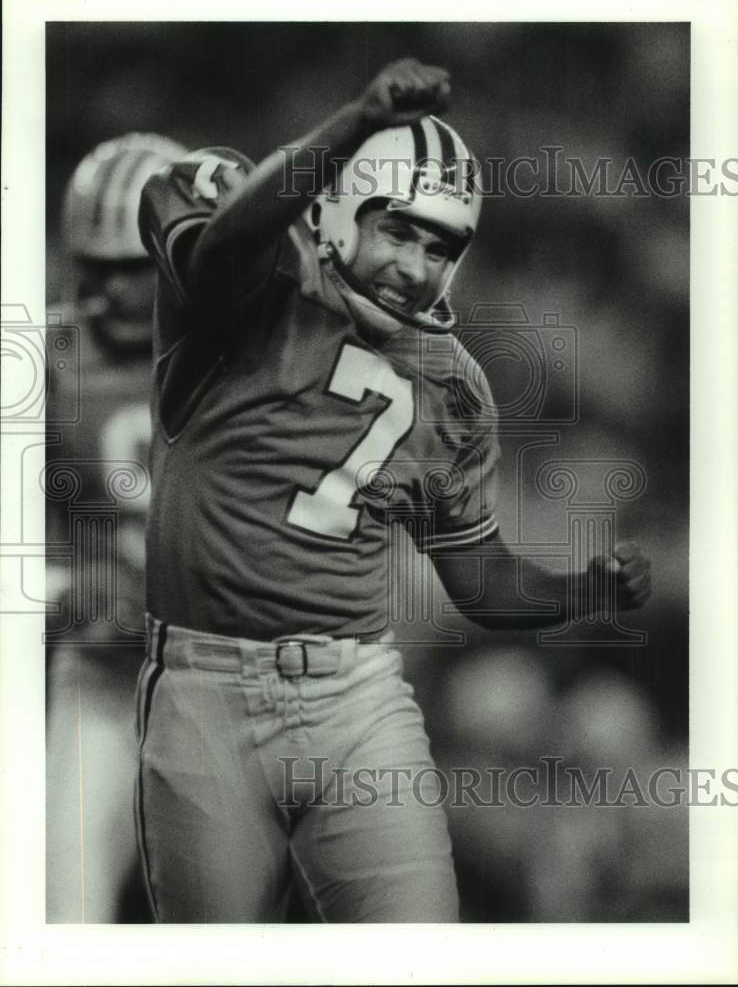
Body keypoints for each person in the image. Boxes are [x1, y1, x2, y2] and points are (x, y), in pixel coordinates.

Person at [135, 59, 651, 923]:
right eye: (397, 231)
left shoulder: (454, 386)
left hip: (356, 695)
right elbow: (220, 244)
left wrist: (580, 593)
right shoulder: (258, 290)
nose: (413, 266)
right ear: (338, 207)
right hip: (205, 688)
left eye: (438, 247)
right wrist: (354, 122)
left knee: (418, 951)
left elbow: (478, 579)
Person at [45, 133, 187, 922]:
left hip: (238, 685)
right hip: (106, 674)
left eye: (128, 268)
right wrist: (62, 583)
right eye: (90, 267)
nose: (103, 291)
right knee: (66, 903)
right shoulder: (49, 359)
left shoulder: (260, 356)